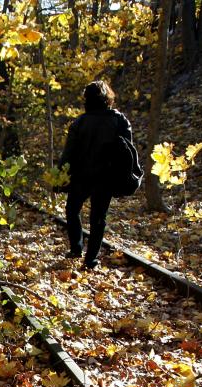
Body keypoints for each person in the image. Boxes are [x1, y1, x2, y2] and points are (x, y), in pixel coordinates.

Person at [58, 80, 132, 269]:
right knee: (98, 218)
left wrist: (60, 175)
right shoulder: (119, 120)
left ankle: (76, 249)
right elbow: (128, 153)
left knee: (72, 211)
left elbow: (68, 153)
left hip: (80, 177)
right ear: (108, 97)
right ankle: (90, 259)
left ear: (87, 99)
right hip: (105, 179)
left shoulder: (80, 122)